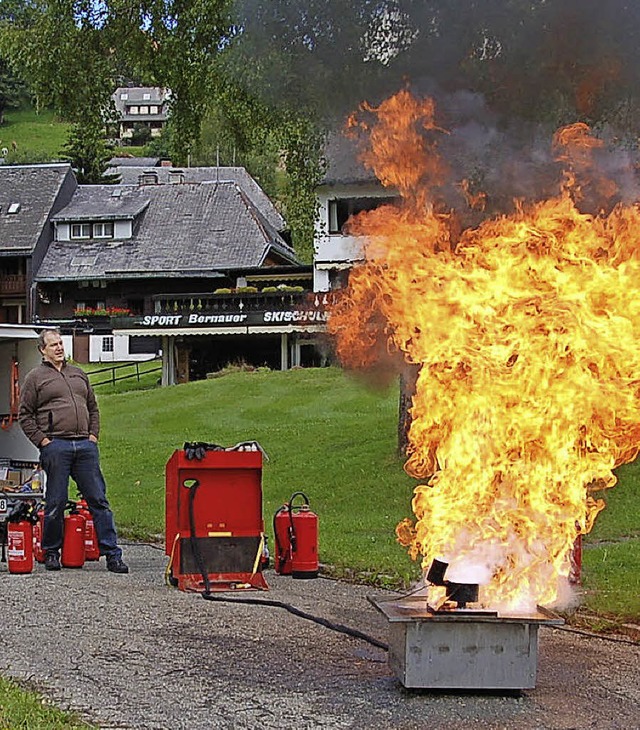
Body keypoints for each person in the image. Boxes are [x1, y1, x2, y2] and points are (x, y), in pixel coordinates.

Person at [18, 328, 128, 573]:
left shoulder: (78, 374)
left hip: (85, 447)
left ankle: (112, 554)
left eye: (60, 343)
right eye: (53, 345)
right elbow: (24, 415)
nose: (59, 348)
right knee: (55, 501)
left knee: (98, 500)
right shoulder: (35, 378)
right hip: (56, 445)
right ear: (42, 350)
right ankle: (51, 552)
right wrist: (43, 442)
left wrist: (93, 436)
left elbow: (93, 408)